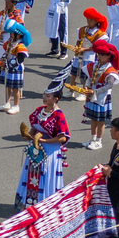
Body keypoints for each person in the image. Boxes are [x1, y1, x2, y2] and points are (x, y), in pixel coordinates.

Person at [15, 71, 70, 209]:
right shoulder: (39, 110)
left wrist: (44, 141)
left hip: (50, 150)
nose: (44, 98)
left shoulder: (58, 115)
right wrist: (28, 135)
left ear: (56, 98)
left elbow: (62, 137)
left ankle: (45, 206)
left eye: (48, 95)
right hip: (35, 148)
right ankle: (30, 204)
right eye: (44, 95)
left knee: (46, 176)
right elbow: (34, 128)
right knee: (32, 175)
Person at [84, 40, 119, 150]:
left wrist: (95, 91)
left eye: (103, 55)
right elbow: (90, 77)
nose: (100, 56)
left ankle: (99, 141)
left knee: (100, 121)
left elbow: (109, 86)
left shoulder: (109, 70)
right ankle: (92, 139)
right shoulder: (95, 65)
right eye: (99, 54)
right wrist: (87, 86)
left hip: (102, 97)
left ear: (109, 57)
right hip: (93, 95)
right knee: (93, 119)